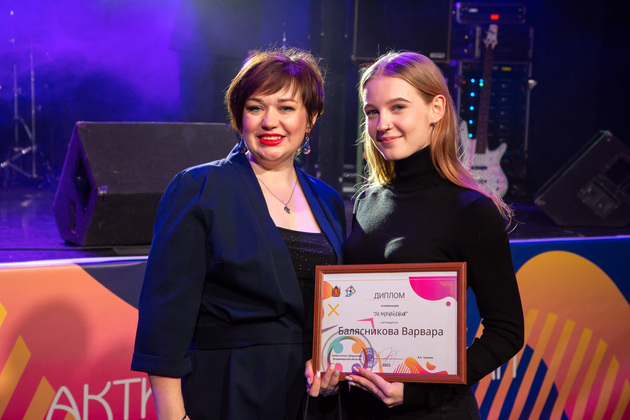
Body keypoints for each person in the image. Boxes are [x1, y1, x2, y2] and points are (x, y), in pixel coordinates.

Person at [131, 48, 347, 420]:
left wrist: (332, 366)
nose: (269, 121)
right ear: (239, 116)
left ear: (310, 118)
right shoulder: (200, 187)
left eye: (286, 108)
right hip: (228, 391)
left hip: (311, 402)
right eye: (255, 107)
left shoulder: (327, 200)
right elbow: (165, 322)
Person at [308, 51, 525, 418]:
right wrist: (328, 364)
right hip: (360, 409)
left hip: (433, 412)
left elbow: (507, 331)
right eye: (372, 112)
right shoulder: (366, 202)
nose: (382, 124)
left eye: (398, 107)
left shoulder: (470, 209)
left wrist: (422, 392)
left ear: (436, 108)